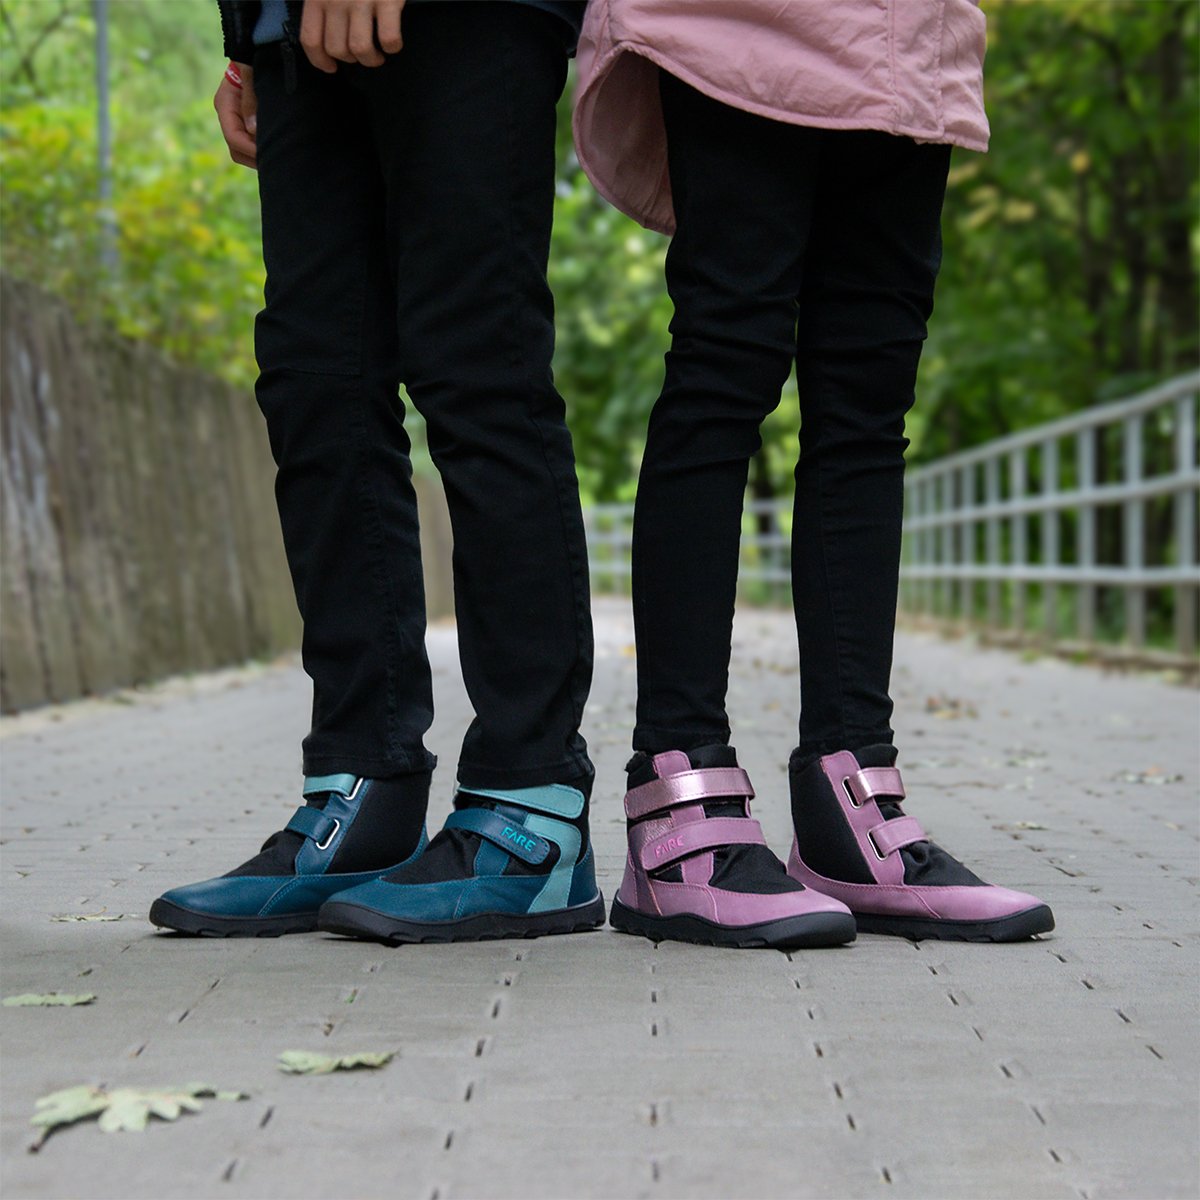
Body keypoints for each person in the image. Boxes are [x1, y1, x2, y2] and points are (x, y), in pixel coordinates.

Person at [572, 0, 1055, 948]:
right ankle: (678, 803)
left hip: (912, 47)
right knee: (725, 366)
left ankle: (850, 804)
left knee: (869, 410)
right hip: (736, 28)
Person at [150, 0, 605, 943]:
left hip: (461, 19)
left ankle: (532, 804)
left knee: (474, 363)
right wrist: (244, 42)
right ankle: (364, 789)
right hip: (290, 32)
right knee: (317, 386)